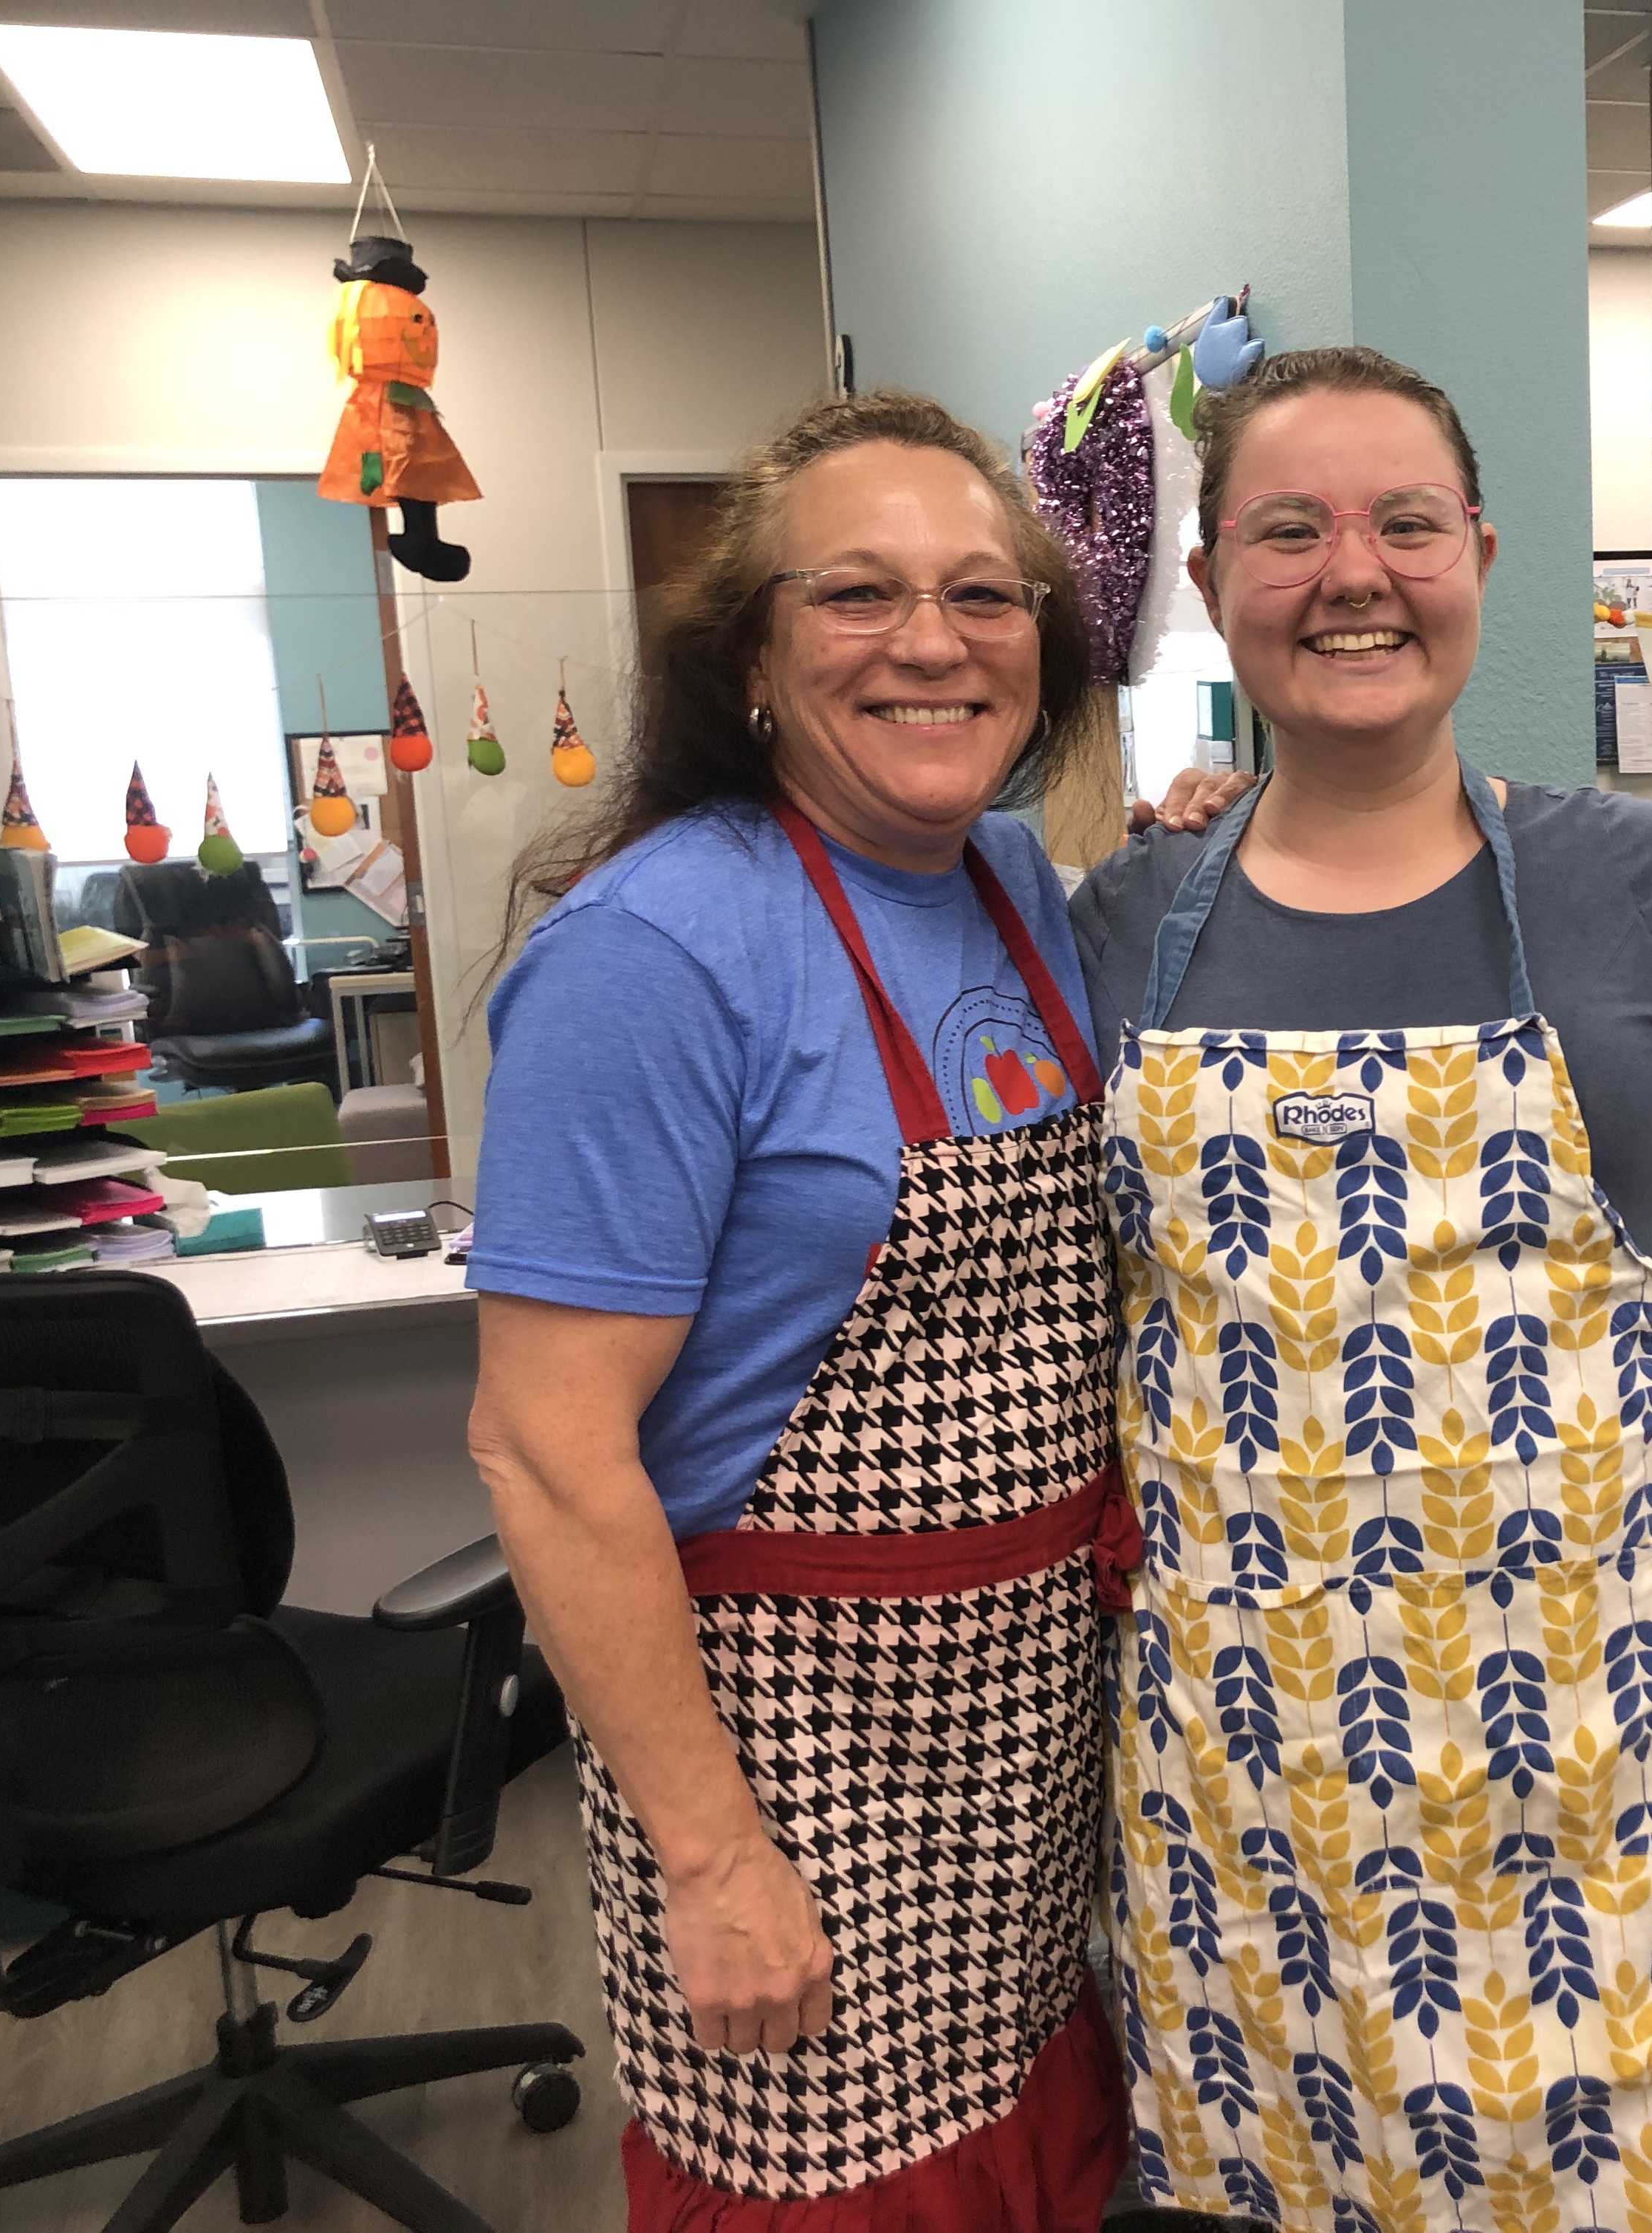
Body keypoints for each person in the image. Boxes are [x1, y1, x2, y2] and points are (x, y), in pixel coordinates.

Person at [1068, 348, 1652, 2233]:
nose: (1353, 573)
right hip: (1259, 1773)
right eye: (1288, 531)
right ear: (1212, 583)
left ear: (1481, 554)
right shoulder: (1127, 919)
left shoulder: (1637, 877)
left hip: (1598, 1752)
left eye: (1406, 522)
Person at [467, 390, 1236, 2231]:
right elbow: (545, 1453)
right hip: (794, 1751)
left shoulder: (1015, 890)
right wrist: (712, 1862)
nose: (931, 641)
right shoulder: (654, 953)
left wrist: (1207, 829)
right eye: (859, 593)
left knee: (1044, 2158)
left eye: (983, 595)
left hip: (1032, 1726)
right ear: (749, 660)